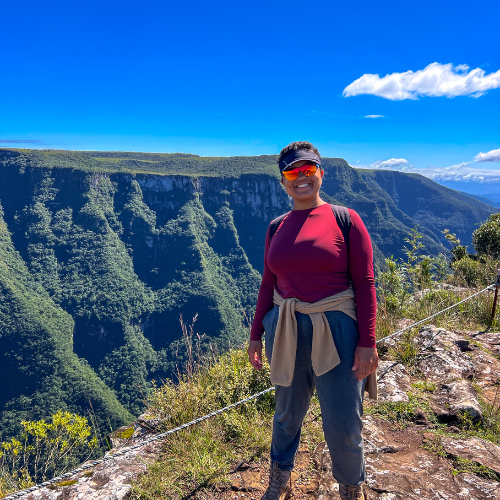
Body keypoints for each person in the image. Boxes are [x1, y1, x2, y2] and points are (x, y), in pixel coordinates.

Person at [248, 141, 378, 500]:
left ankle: (351, 488)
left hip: (336, 329)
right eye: (293, 171)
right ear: (283, 181)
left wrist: (368, 342)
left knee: (343, 420)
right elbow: (268, 282)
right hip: (286, 328)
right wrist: (257, 333)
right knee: (287, 412)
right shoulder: (276, 227)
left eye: (308, 169)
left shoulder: (346, 219)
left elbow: (365, 283)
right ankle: (280, 478)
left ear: (321, 173)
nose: (301, 177)